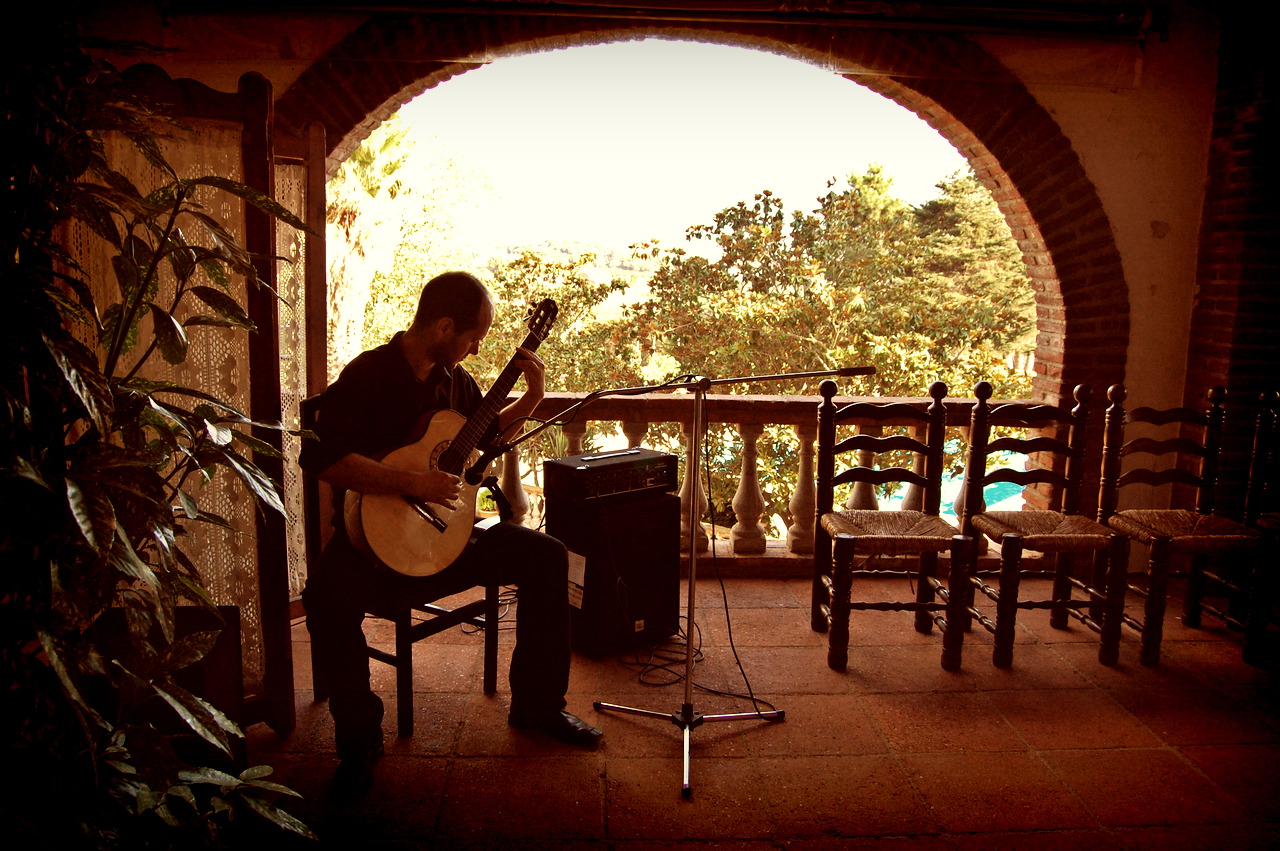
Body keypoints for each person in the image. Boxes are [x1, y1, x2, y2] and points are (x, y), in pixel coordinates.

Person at [301, 271, 602, 797]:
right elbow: (322, 460)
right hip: (369, 545)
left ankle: (537, 704)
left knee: (546, 556)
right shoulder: (367, 374)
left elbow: (481, 441)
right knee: (325, 597)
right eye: (473, 337)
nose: (477, 348)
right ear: (444, 327)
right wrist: (413, 481)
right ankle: (358, 740)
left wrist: (531, 399)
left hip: (444, 539)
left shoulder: (456, 382)